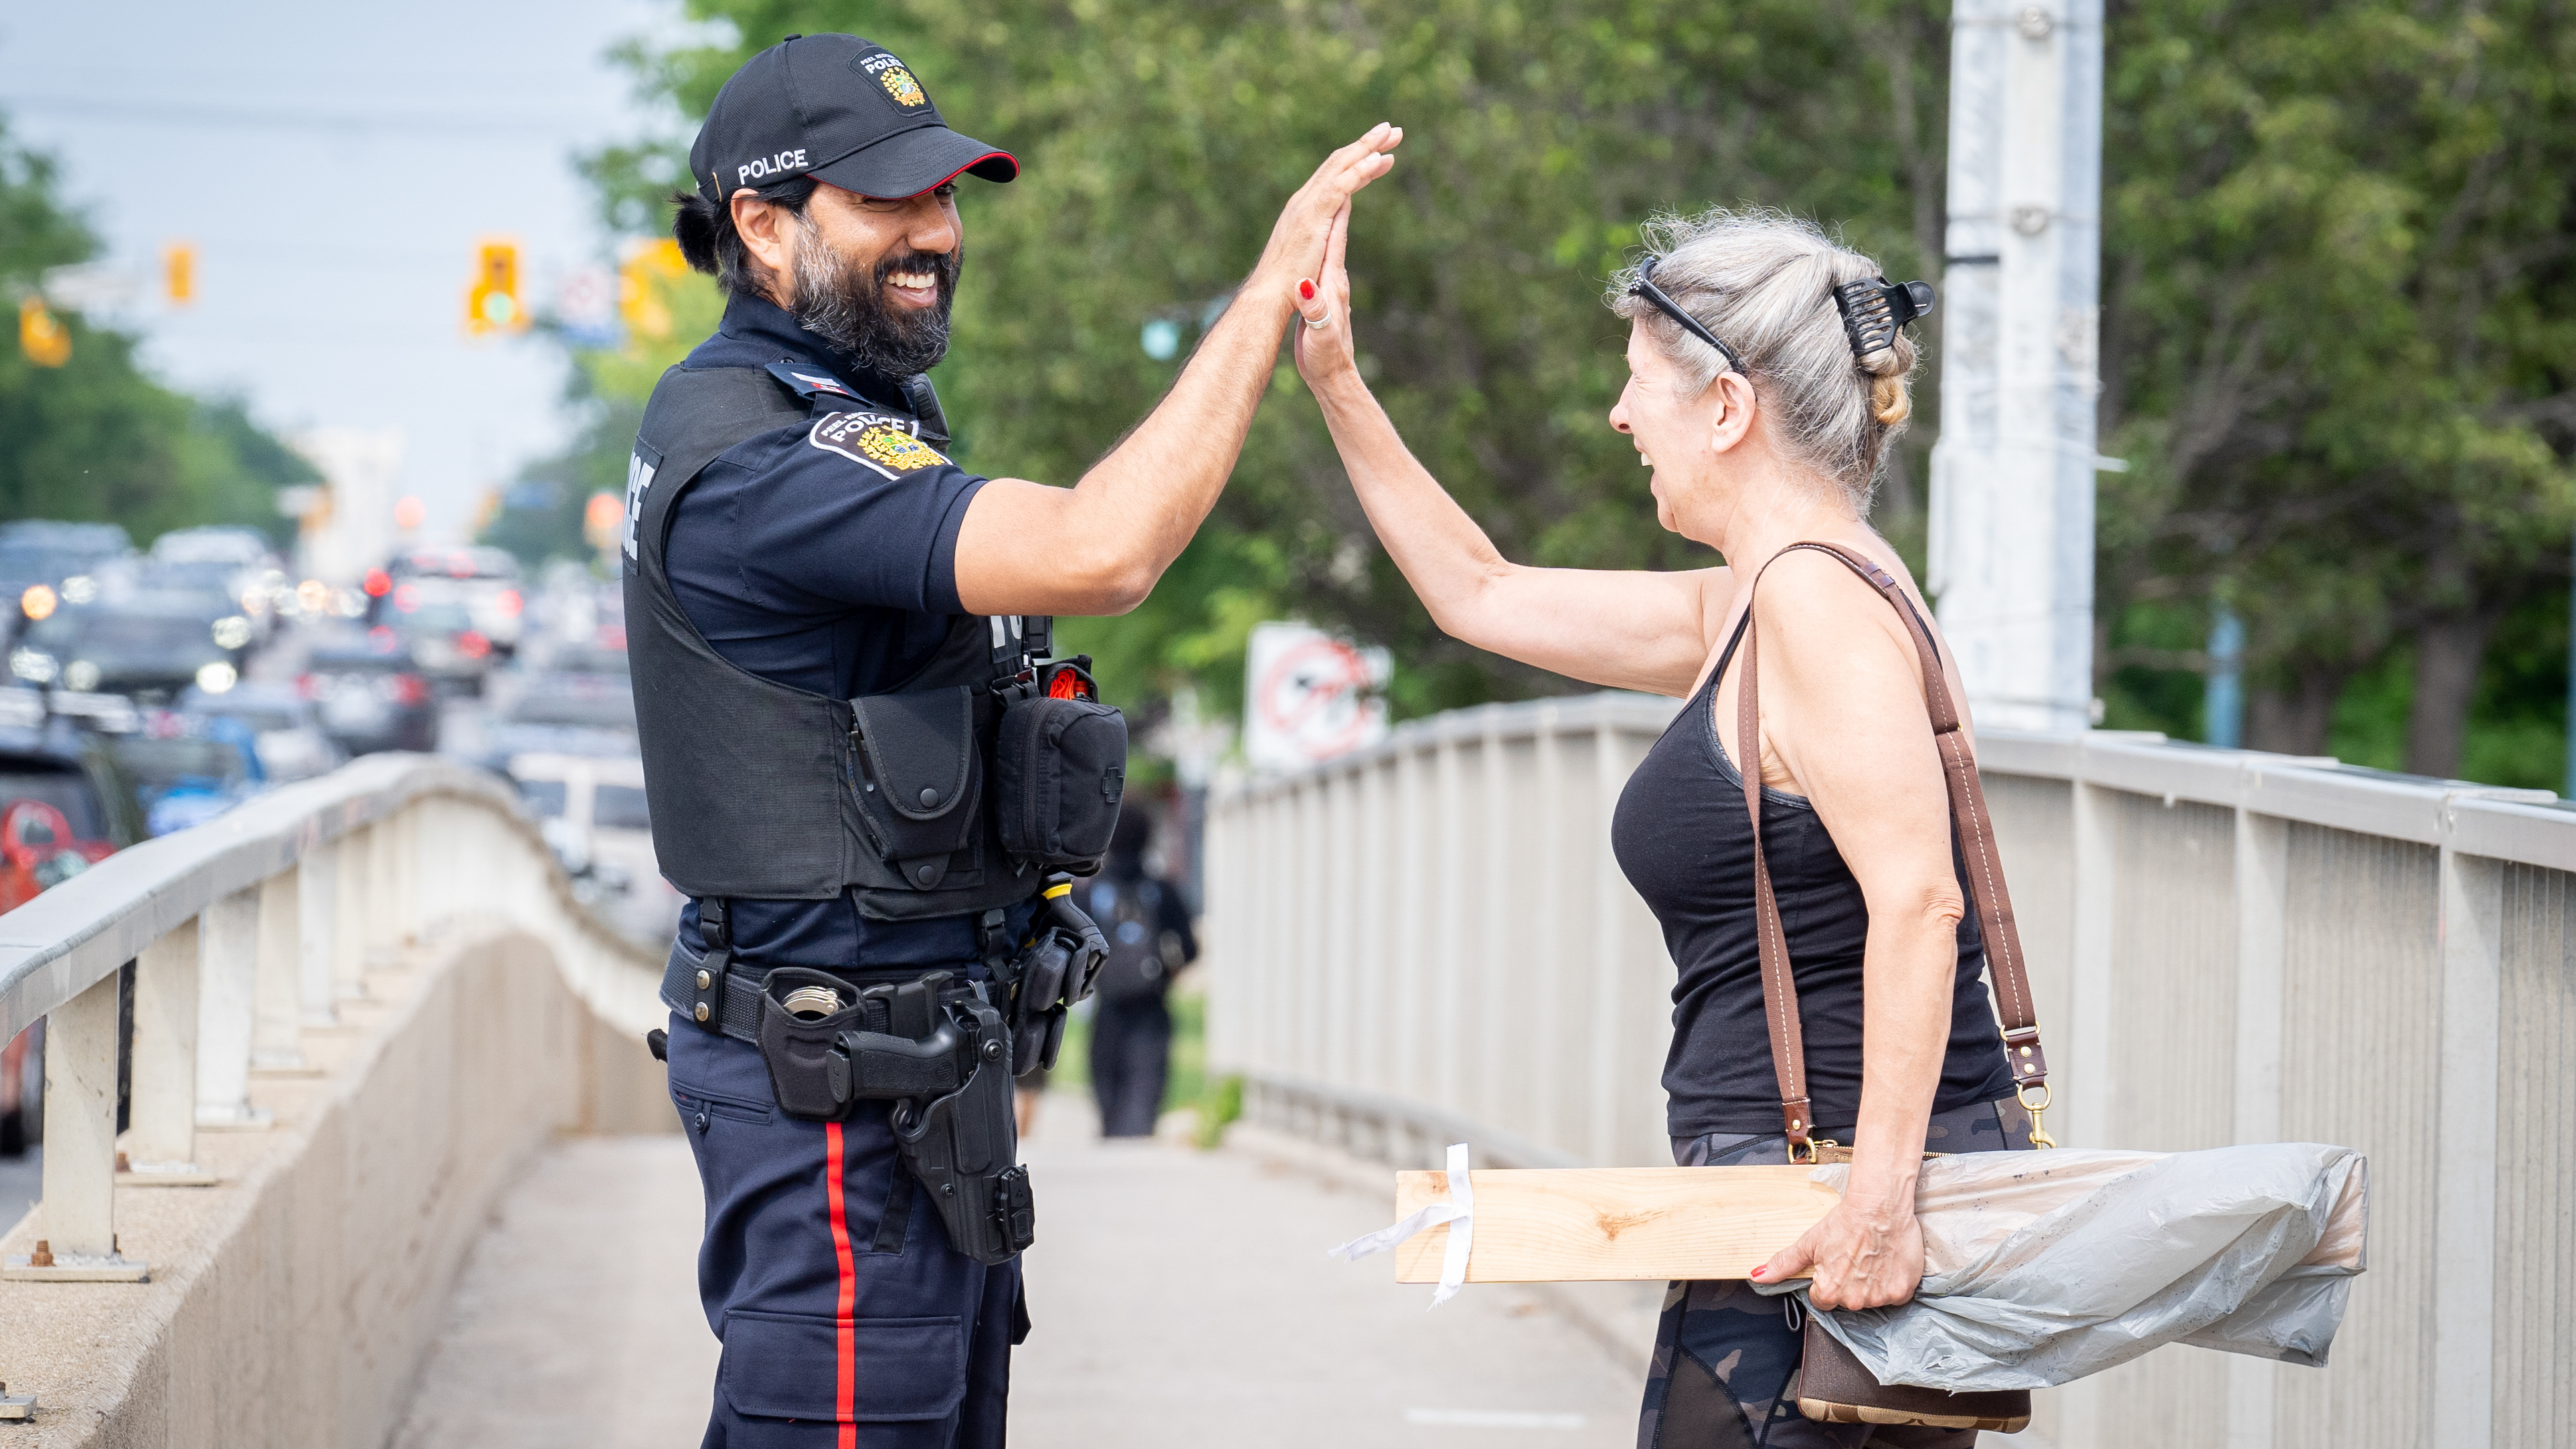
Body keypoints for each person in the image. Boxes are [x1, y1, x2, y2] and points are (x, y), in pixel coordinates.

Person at [627, 33, 1399, 1447]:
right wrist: (1265, 297)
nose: (936, 232)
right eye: (889, 203)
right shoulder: (758, 453)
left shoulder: (857, 410)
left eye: (946, 195)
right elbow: (1101, 549)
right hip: (837, 1104)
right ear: (760, 222)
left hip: (912, 1086)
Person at [1288, 207, 2037, 1446]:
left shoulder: (1813, 602)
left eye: (1638, 388)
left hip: (1827, 1216)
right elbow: (1480, 593)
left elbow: (1919, 902)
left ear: (1728, 409)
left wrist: (1873, 1207)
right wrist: (1335, 381)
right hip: (1783, 1202)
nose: (1620, 419)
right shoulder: (1755, 598)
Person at [1083, 812, 1199, 1138]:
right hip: (1152, 1003)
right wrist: (1165, 974)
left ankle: (1113, 1133)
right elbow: (1189, 947)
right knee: (1146, 1079)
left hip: (1107, 1005)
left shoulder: (1092, 891)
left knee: (1107, 1078)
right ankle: (1137, 1133)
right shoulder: (1162, 889)